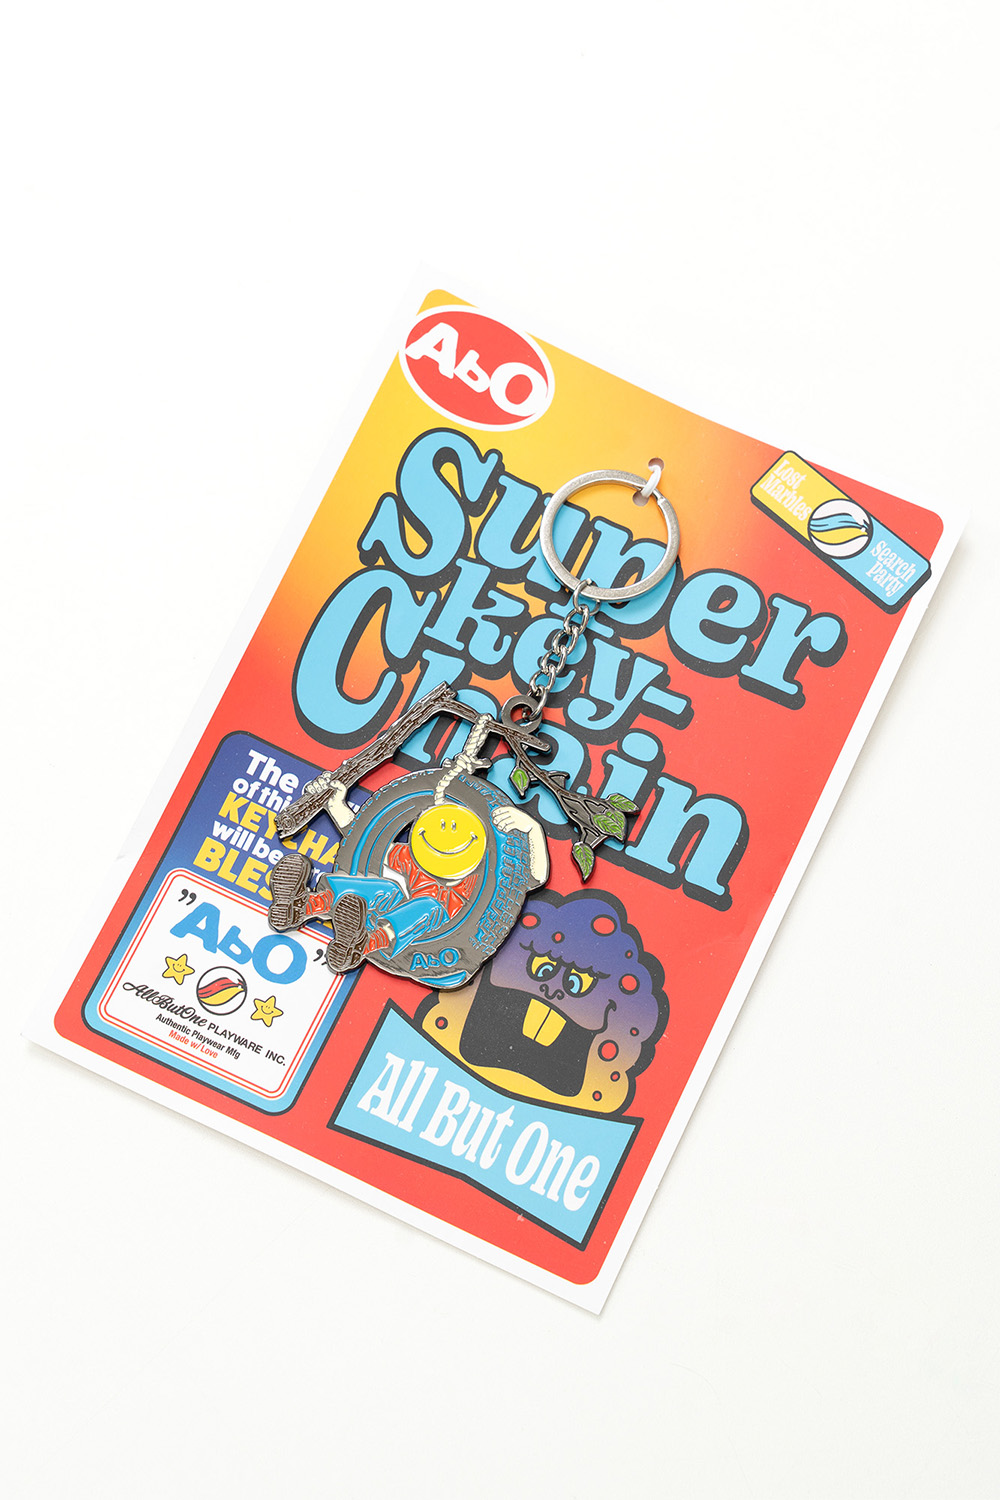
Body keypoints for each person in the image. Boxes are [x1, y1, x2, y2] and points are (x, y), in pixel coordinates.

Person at [268, 751, 548, 971]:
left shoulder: (481, 879)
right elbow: (366, 841)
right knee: (384, 888)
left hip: (427, 933)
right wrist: (336, 804)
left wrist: (532, 829)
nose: (446, 834)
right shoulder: (413, 856)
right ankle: (302, 906)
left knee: (427, 906)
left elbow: (534, 878)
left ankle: (361, 944)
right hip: (388, 909)